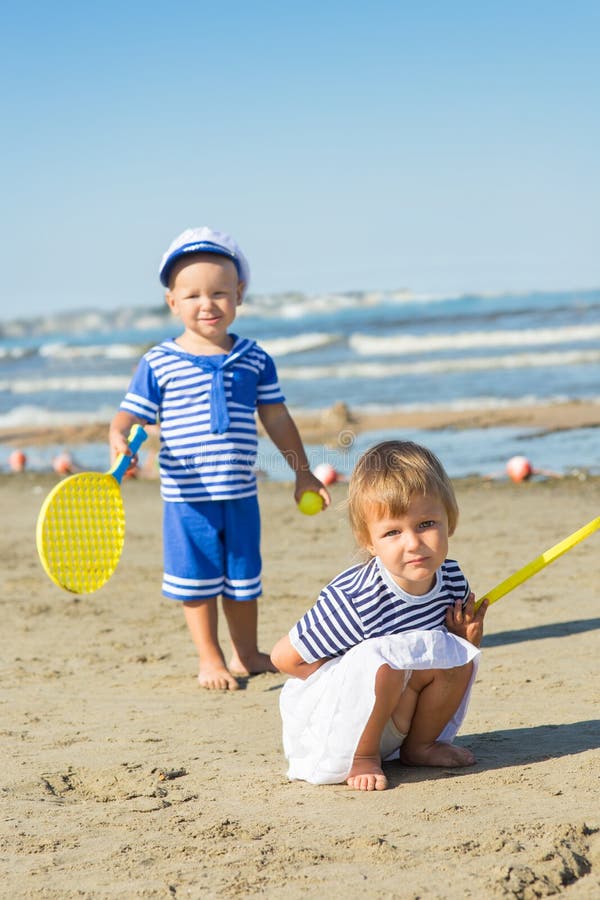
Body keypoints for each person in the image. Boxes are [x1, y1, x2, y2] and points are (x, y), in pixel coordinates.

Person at [109, 226, 329, 691]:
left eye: (219, 293)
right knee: (197, 581)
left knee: (244, 576)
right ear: (172, 301)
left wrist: (302, 472)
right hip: (187, 497)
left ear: (239, 294)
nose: (206, 304)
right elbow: (129, 418)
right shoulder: (159, 362)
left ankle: (246, 652)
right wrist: (119, 441)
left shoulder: (254, 358)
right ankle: (210, 658)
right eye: (192, 295)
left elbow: (277, 418)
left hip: (240, 492)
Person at [271, 440, 488, 791]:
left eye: (426, 523)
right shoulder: (358, 599)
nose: (413, 543)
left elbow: (442, 658)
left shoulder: (451, 579)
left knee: (455, 656)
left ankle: (420, 746)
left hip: (398, 714)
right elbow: (284, 658)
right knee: (385, 661)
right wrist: (349, 676)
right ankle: (362, 758)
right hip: (341, 723)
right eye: (392, 532)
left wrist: (465, 640)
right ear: (369, 541)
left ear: (451, 520)